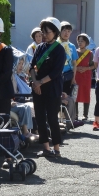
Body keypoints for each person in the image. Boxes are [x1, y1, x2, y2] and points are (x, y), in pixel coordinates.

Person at [30, 17, 66, 158]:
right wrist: (35, 82)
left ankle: (56, 148)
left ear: (55, 32)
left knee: (52, 119)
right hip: (38, 88)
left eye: (47, 32)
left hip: (52, 89)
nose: (44, 35)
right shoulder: (39, 47)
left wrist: (40, 82)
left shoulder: (59, 50)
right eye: (43, 32)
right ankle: (46, 148)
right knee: (39, 118)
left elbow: (56, 72)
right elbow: (32, 67)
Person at [74, 33, 94, 121]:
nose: (80, 43)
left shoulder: (90, 53)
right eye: (79, 41)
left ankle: (85, 115)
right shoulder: (74, 52)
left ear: (86, 43)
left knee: (86, 94)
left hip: (86, 77)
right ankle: (75, 114)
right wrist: (77, 68)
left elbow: (94, 65)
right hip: (76, 76)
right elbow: (71, 64)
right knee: (75, 94)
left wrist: (86, 68)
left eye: (82, 41)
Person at [59, 21, 78, 95]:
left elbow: (74, 63)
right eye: (64, 30)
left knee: (66, 97)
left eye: (69, 31)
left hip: (68, 76)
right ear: (59, 31)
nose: (66, 33)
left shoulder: (72, 46)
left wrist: (73, 77)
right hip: (56, 75)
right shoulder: (55, 44)